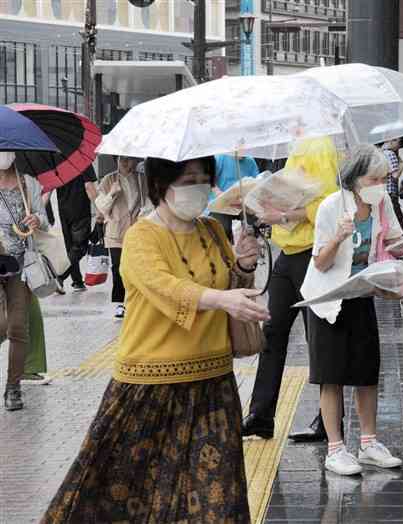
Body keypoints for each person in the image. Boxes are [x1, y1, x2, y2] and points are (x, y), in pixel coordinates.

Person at [43, 156, 268, 522]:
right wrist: (219, 298)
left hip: (212, 385)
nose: (198, 186)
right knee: (124, 498)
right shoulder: (141, 236)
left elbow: (232, 288)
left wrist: (242, 265)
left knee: (219, 502)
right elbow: (165, 286)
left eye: (203, 178)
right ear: (161, 184)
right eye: (188, 178)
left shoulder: (212, 231)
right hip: (148, 386)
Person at [300, 144, 403, 476]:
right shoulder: (332, 207)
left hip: (361, 293)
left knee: (366, 372)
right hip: (328, 299)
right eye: (374, 179)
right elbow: (320, 262)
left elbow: (391, 245)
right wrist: (338, 237)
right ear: (355, 179)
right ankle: (335, 448)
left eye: (383, 179)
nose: (380, 185)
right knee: (330, 375)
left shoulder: (382, 203)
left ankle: (369, 443)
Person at [243, 137, 340, 442]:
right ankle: (261, 414)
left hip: (313, 253)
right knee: (271, 332)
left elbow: (325, 204)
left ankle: (328, 420)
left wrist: (283, 216)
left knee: (320, 337)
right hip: (288, 253)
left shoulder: (319, 145)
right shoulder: (299, 146)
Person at [0, 151, 48, 411]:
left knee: (18, 327)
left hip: (21, 266)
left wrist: (37, 219)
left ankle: (13, 388)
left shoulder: (29, 182)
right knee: (3, 324)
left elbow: (46, 221)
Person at [95, 156, 150, 319]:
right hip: (115, 231)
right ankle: (120, 303)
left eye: (129, 160)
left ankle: (137, 299)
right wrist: (112, 193)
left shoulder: (142, 179)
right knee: (118, 267)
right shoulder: (108, 179)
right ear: (116, 161)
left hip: (137, 230)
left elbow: (149, 202)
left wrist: (144, 213)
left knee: (138, 266)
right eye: (122, 160)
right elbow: (102, 208)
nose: (126, 163)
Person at [50, 165, 98, 292]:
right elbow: (89, 186)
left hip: (64, 211)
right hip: (80, 209)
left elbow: (48, 187)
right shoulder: (82, 161)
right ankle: (59, 277)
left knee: (71, 248)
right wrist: (100, 208)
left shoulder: (58, 160)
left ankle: (77, 281)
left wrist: (46, 210)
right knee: (79, 248)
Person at [211, 154, 260, 242]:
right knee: (222, 228)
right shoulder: (221, 158)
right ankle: (227, 247)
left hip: (242, 202)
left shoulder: (250, 161)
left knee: (252, 223)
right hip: (222, 204)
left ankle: (249, 244)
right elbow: (210, 180)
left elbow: (256, 183)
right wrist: (218, 192)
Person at [381, 139, 403, 234]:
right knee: (398, 217)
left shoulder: (382, 153)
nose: (400, 144)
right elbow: (395, 175)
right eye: (398, 142)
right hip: (391, 191)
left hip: (384, 191)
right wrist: (402, 166)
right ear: (391, 141)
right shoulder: (390, 154)